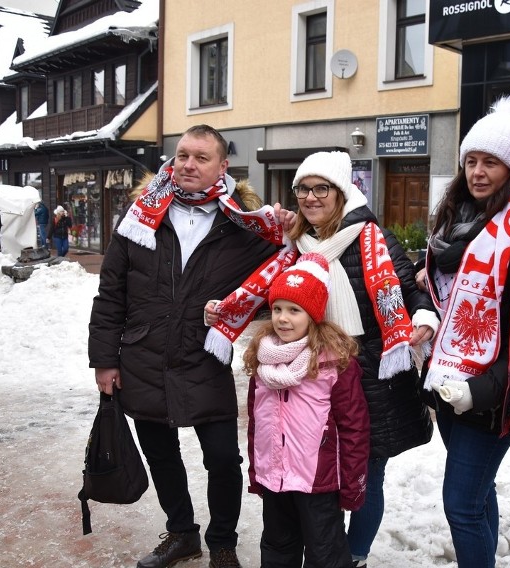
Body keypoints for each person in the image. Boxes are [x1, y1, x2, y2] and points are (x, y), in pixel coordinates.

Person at [207, 150, 438, 568]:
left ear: (340, 192)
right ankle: (322, 549)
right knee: (311, 473)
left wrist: (423, 312)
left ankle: (355, 555)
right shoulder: (294, 243)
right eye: (303, 190)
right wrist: (228, 310)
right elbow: (283, 303)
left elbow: (405, 287)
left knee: (366, 473)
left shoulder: (370, 237)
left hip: (369, 375)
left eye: (321, 189)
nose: (311, 198)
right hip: (307, 375)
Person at [89, 124, 296, 568]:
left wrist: (291, 229)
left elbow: (283, 280)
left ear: (224, 166)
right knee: (161, 454)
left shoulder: (246, 224)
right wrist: (104, 360)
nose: (188, 164)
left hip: (205, 356)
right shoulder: (140, 215)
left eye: (201, 158)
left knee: (222, 458)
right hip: (143, 354)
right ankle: (182, 533)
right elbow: (111, 293)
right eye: (182, 155)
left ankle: (222, 542)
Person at [418, 94, 510, 567]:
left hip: (492, 388)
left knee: (461, 504)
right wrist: (425, 313)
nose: (478, 172)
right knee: (478, 492)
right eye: (471, 161)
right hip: (446, 378)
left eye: (491, 162)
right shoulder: (452, 219)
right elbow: (435, 286)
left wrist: (481, 390)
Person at [244, 253, 370, 568]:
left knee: (325, 554)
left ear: (313, 314)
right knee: (277, 550)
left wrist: (353, 483)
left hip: (319, 482)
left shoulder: (334, 363)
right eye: (277, 309)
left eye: (294, 310)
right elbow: (256, 422)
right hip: (275, 479)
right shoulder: (263, 359)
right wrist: (257, 471)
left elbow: (354, 426)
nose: (283, 318)